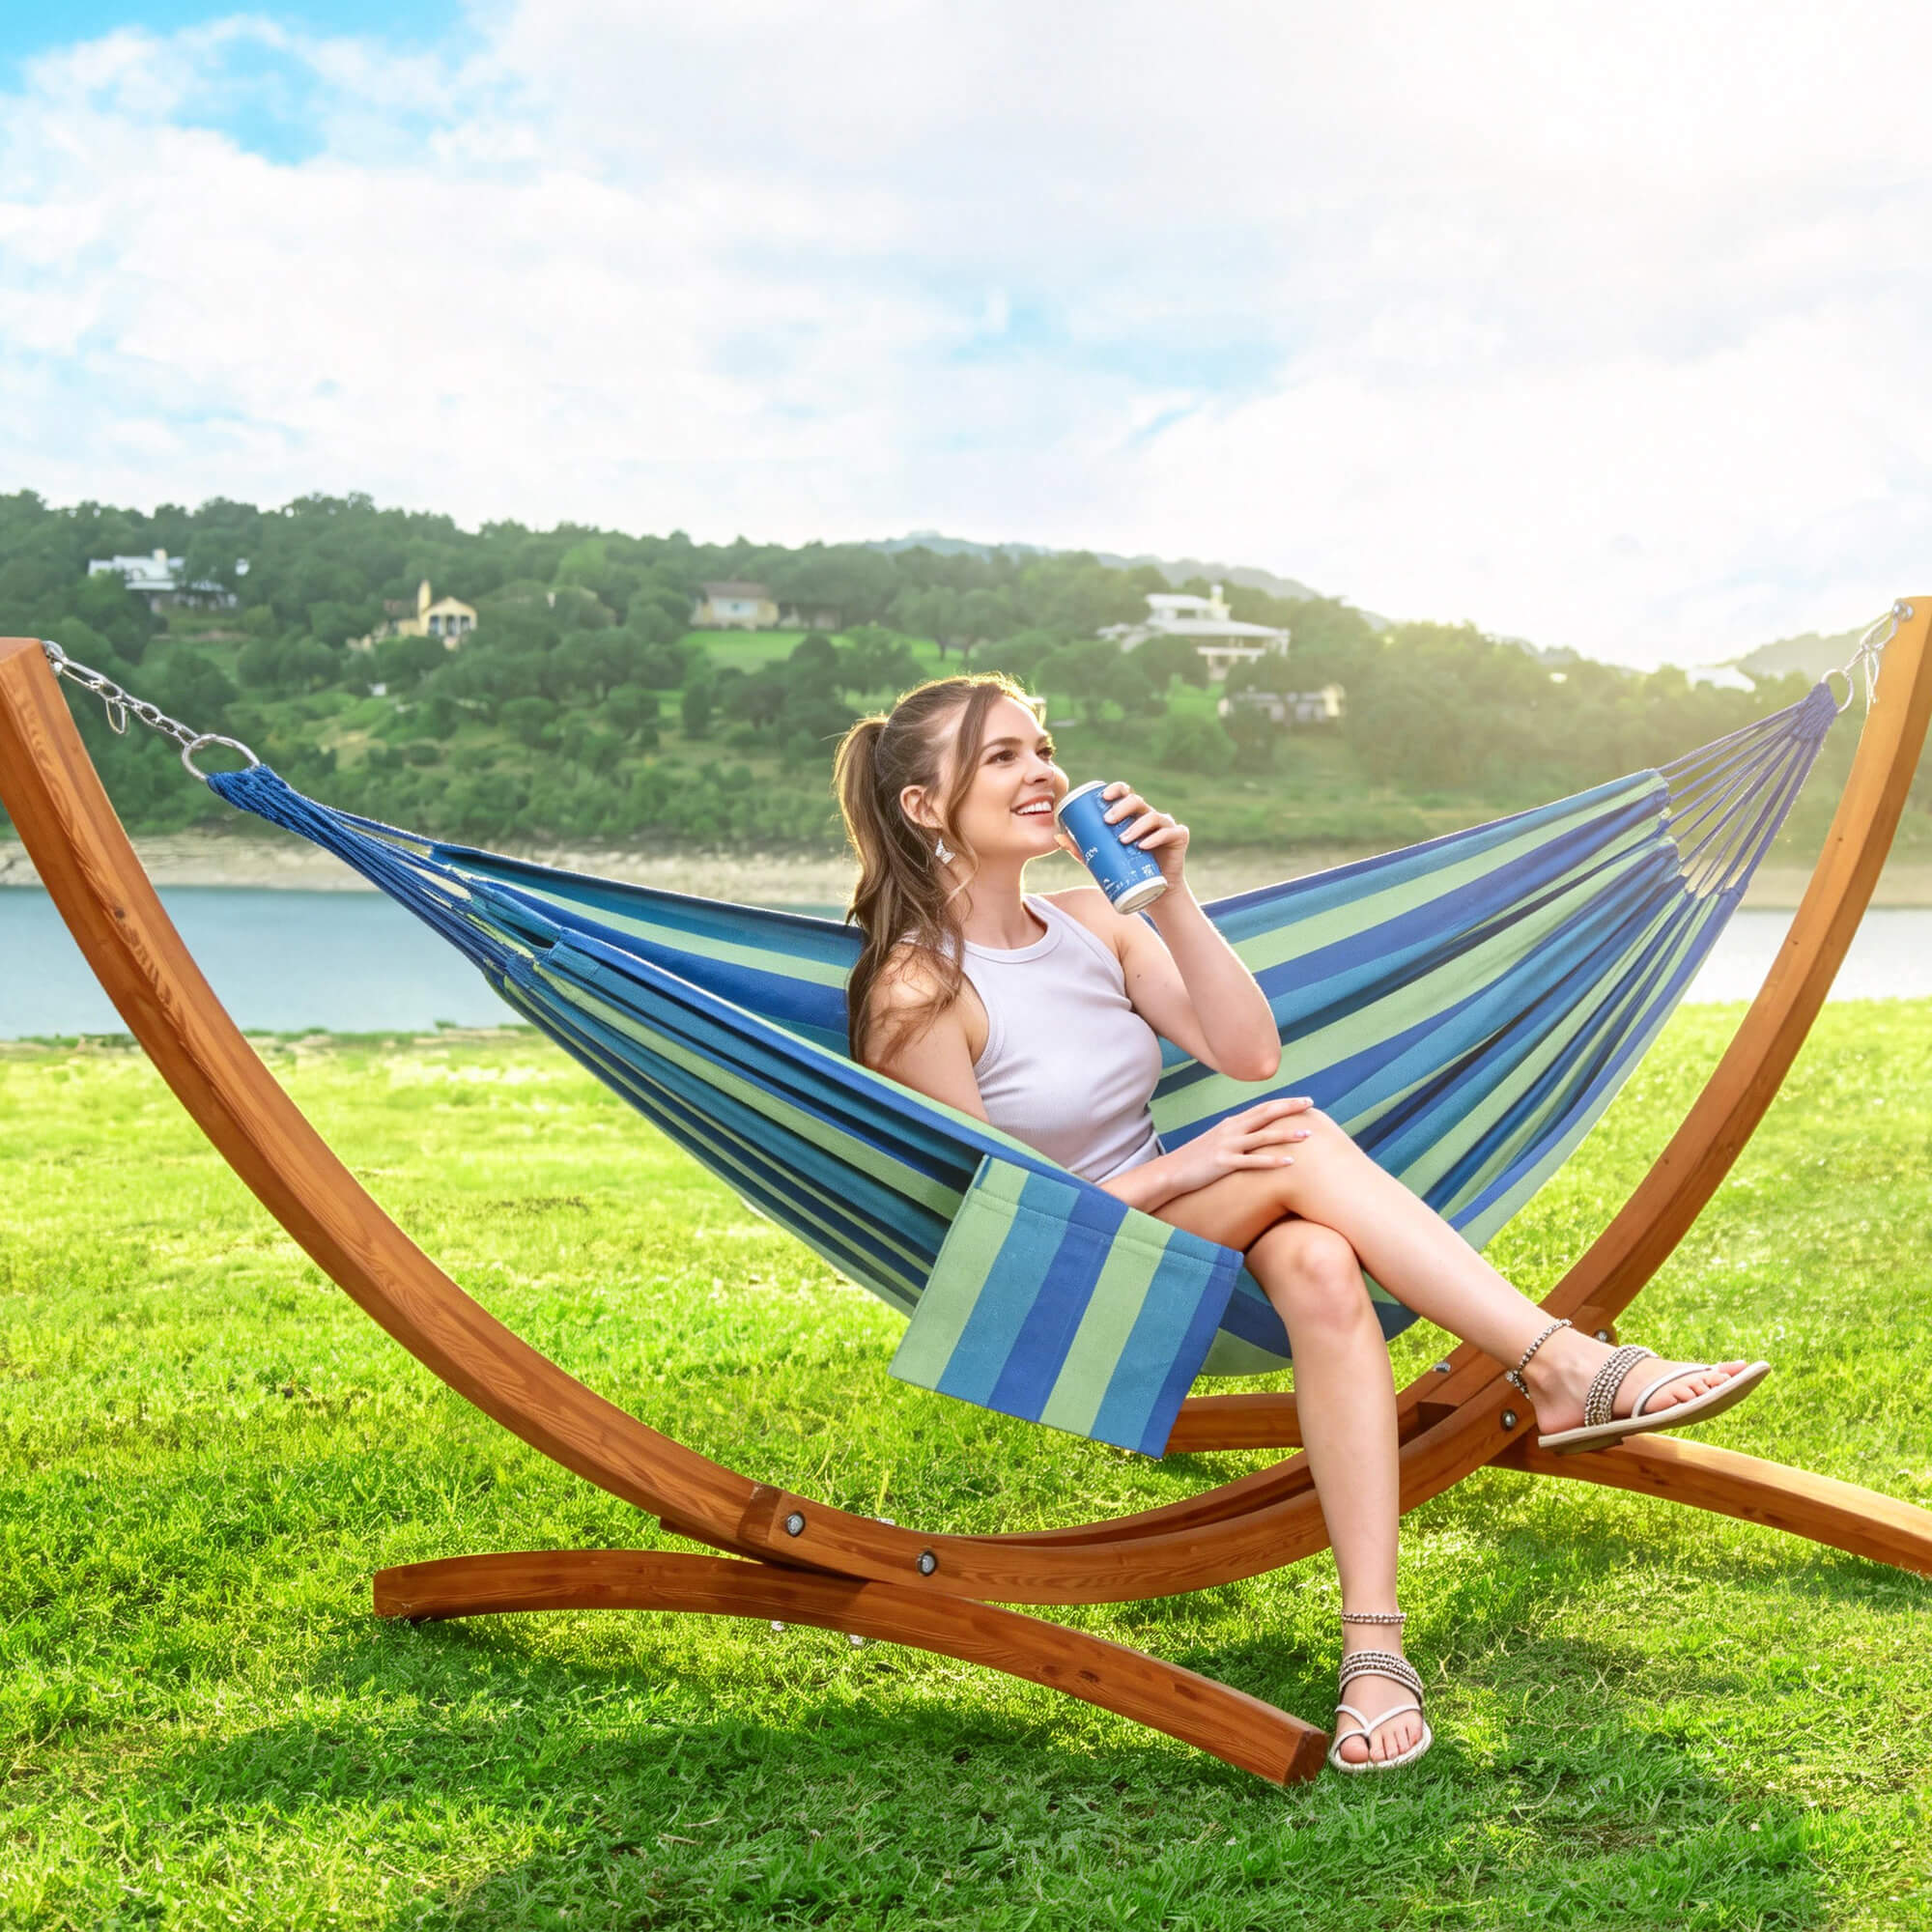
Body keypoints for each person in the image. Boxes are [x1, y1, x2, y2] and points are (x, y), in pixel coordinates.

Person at [833, 672, 1770, 1773]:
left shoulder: (1091, 926)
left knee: (1321, 1260)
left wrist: (1168, 896)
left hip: (1187, 1220)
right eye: (1000, 756)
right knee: (1290, 1138)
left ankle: (1374, 1649)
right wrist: (1192, 1162)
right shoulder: (918, 990)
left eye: (1042, 746)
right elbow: (1000, 1217)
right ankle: (1560, 1364)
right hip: (1073, 1262)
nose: (1040, 770)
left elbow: (1246, 1052)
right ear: (922, 806)